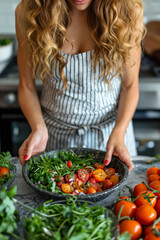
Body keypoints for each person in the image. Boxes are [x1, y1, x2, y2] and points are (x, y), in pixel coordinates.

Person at [15, 0, 145, 172]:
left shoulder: (128, 11)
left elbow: (130, 86)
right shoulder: (31, 11)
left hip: (111, 137)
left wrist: (119, 132)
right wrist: (38, 127)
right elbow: (26, 86)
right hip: (53, 137)